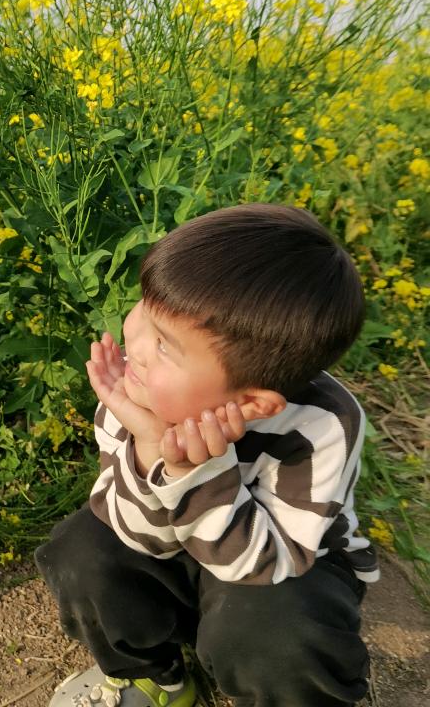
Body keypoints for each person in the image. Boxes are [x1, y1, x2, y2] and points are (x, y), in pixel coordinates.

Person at [35, 203, 379, 707]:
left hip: (286, 569)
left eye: (166, 347)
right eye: (145, 313)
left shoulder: (321, 427)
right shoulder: (138, 392)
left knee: (277, 633)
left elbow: (267, 565)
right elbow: (136, 534)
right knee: (81, 550)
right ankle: (154, 677)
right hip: (181, 548)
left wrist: (199, 472)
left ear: (251, 403)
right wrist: (152, 445)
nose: (137, 346)